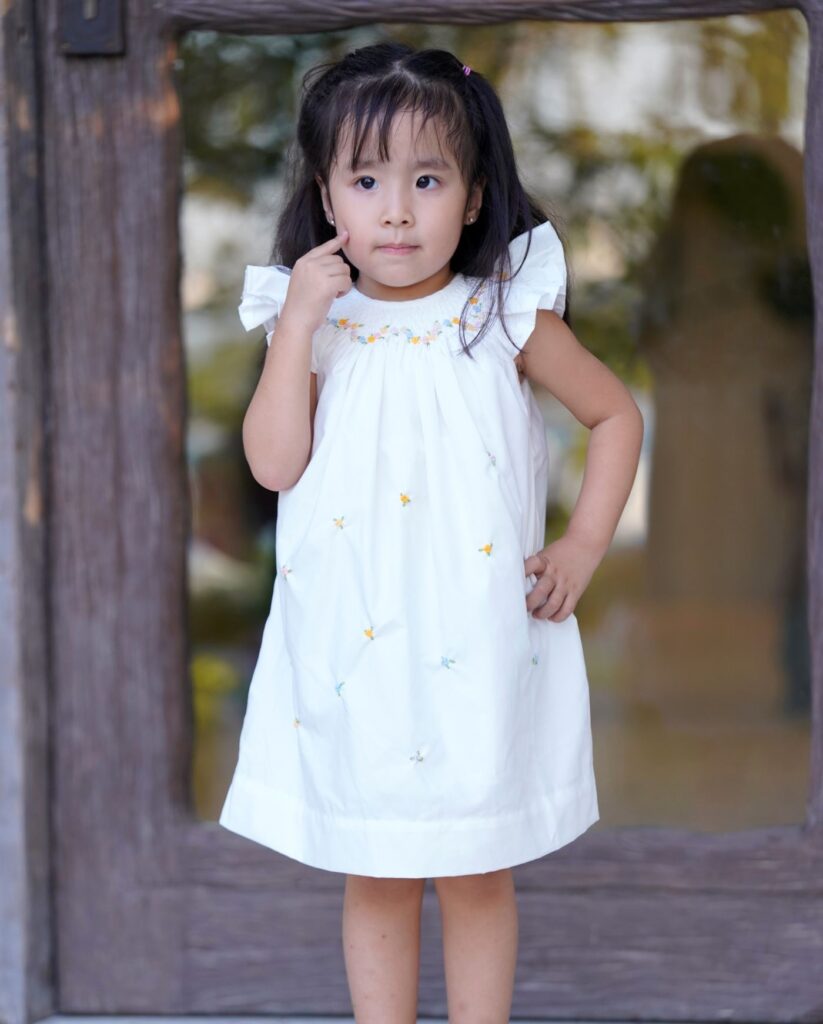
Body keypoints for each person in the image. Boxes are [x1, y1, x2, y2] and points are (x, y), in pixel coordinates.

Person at [219, 40, 643, 1024]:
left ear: (473, 190)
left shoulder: (502, 313)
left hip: (476, 635)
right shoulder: (313, 323)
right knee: (373, 862)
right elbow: (274, 463)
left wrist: (582, 543)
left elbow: (614, 414)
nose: (397, 210)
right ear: (329, 200)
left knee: (476, 863)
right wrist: (294, 328)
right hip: (353, 645)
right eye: (366, 180)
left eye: (426, 178)